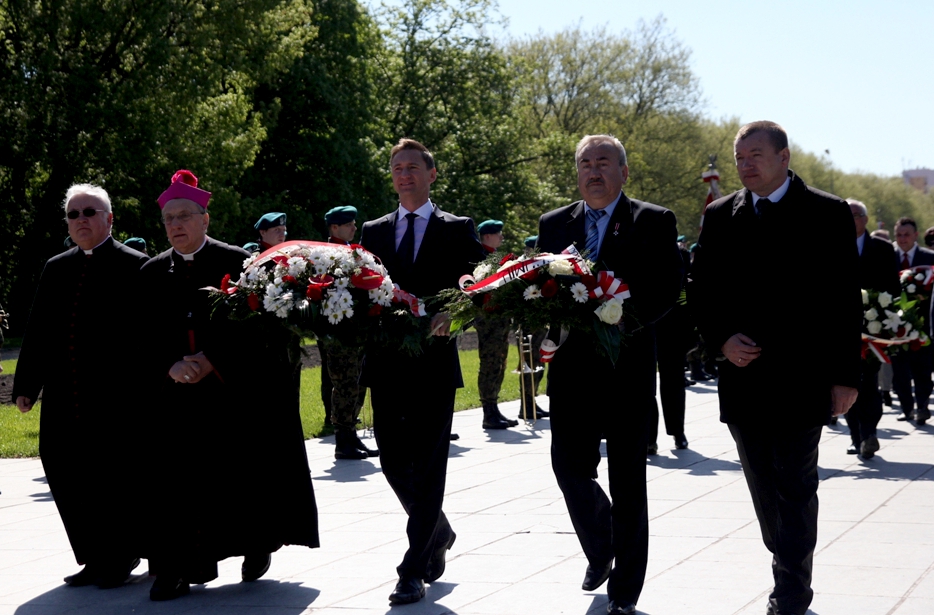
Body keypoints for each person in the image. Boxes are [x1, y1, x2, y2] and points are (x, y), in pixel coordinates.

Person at [691, 121, 861, 615]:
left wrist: (846, 376)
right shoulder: (722, 215)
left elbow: (843, 300)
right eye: (740, 156)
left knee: (796, 483)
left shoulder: (827, 213)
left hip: (803, 378)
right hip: (744, 378)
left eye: (756, 154)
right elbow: (701, 289)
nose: (746, 164)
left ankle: (790, 589)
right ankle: (785, 554)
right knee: (765, 488)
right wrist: (721, 338)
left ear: (784, 157)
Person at [140, 170, 319, 601]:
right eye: (168, 219)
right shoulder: (149, 272)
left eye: (184, 216)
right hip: (174, 397)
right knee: (177, 484)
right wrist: (169, 365)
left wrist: (213, 360)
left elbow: (262, 332)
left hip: (230, 393)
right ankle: (178, 567)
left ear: (205, 219)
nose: (176, 225)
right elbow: (136, 335)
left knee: (238, 479)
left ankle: (255, 544)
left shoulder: (239, 263)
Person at [538, 134, 683, 615]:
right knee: (569, 467)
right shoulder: (555, 223)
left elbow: (667, 287)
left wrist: (622, 315)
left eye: (603, 162)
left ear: (624, 171)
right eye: (585, 163)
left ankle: (625, 590)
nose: (593, 171)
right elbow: (543, 286)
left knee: (627, 480)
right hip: (573, 370)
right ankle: (602, 545)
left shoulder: (653, 220)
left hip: (628, 369)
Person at [360, 138, 485, 605]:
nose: (404, 174)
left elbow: (482, 285)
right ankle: (438, 531)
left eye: (413, 166)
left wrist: (455, 313)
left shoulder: (457, 229)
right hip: (387, 363)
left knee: (430, 467)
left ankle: (412, 569)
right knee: (393, 461)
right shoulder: (373, 232)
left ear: (431, 175)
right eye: (397, 167)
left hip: (434, 364)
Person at [13, 184, 149, 588]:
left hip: (115, 398)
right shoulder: (56, 266)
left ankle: (121, 554)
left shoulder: (136, 265)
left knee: (113, 476)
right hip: (65, 393)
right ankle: (92, 555)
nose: (81, 220)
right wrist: (26, 384)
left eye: (89, 212)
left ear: (109, 218)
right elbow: (38, 329)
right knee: (63, 467)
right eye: (73, 214)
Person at [319, 205, 377, 459]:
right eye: (348, 224)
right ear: (334, 228)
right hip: (339, 333)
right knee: (344, 384)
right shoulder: (325, 256)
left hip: (357, 330)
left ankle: (351, 434)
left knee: (357, 383)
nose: (354, 227)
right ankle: (343, 439)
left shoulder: (353, 253)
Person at [846, 199, 899, 457]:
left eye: (854, 215)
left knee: (868, 383)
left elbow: (893, 287)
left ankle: (869, 433)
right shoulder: (829, 245)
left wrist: (886, 318)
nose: (848, 219)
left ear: (865, 219)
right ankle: (857, 437)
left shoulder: (882, 249)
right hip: (840, 329)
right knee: (845, 381)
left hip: (873, 327)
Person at [474, 219, 520, 429]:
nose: (501, 237)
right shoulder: (480, 258)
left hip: (500, 318)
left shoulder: (496, 258)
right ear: (487, 236)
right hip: (488, 318)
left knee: (500, 362)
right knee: (490, 362)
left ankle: (493, 407)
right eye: (498, 233)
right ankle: (488, 410)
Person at [892, 216, 934, 424]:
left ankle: (923, 406)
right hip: (894, 325)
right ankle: (906, 408)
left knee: (923, 368)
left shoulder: (929, 257)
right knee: (899, 370)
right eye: (898, 235)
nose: (902, 239)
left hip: (922, 324)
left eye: (906, 234)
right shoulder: (888, 257)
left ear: (916, 235)